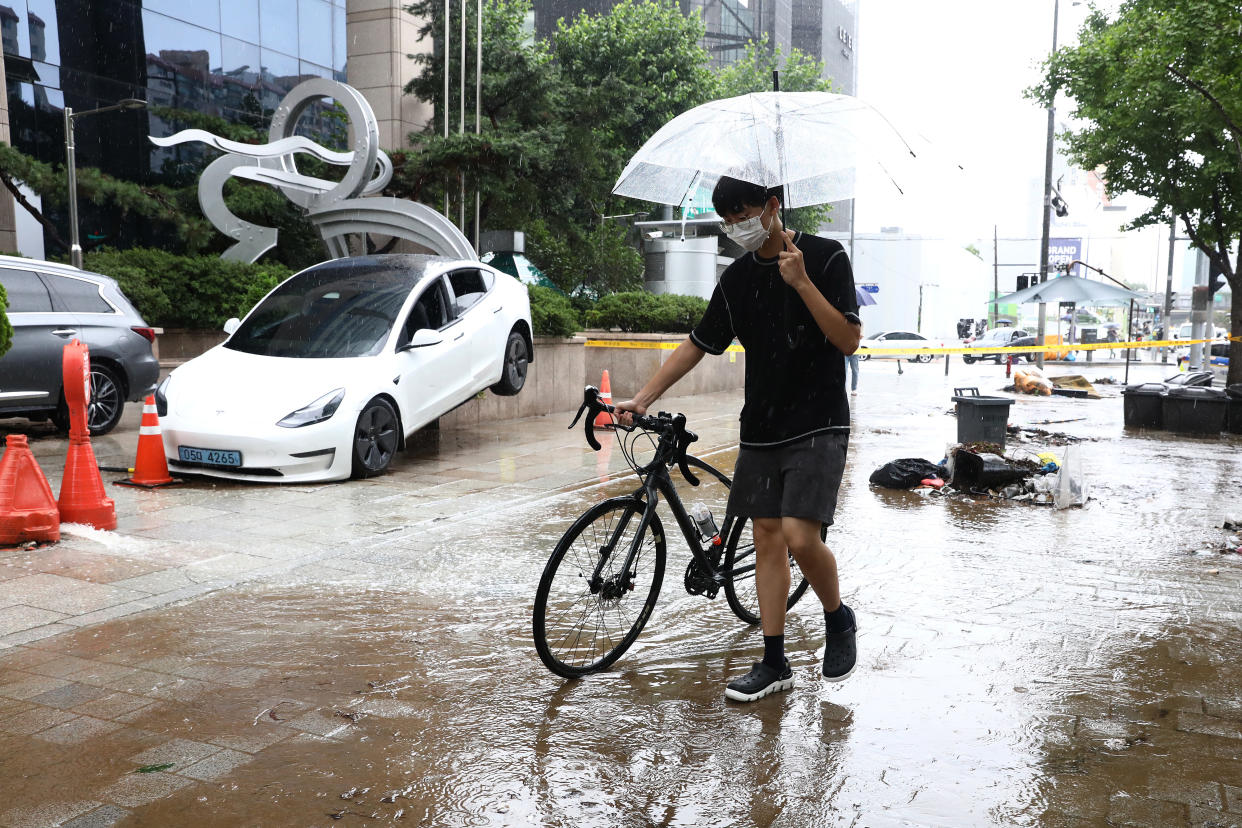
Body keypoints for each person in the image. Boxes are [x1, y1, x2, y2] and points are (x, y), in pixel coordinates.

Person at [615, 177, 862, 703]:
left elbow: (847, 339)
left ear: (772, 207)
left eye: (742, 214)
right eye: (726, 220)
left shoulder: (824, 256)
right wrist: (642, 397)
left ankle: (838, 619)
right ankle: (774, 662)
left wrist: (801, 283)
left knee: (799, 536)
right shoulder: (737, 280)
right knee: (768, 536)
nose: (735, 227)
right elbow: (698, 344)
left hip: (819, 422)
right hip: (763, 425)